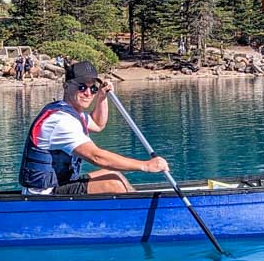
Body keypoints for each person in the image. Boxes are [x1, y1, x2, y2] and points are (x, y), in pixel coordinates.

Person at [19, 60, 170, 195]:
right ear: (66, 86)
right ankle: (138, 218)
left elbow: (98, 124)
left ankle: (135, 210)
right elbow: (96, 156)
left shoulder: (72, 114)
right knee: (113, 184)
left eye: (93, 89)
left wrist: (102, 97)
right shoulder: (61, 121)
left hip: (59, 185)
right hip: (44, 194)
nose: (87, 93)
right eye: (82, 87)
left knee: (114, 175)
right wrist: (146, 166)